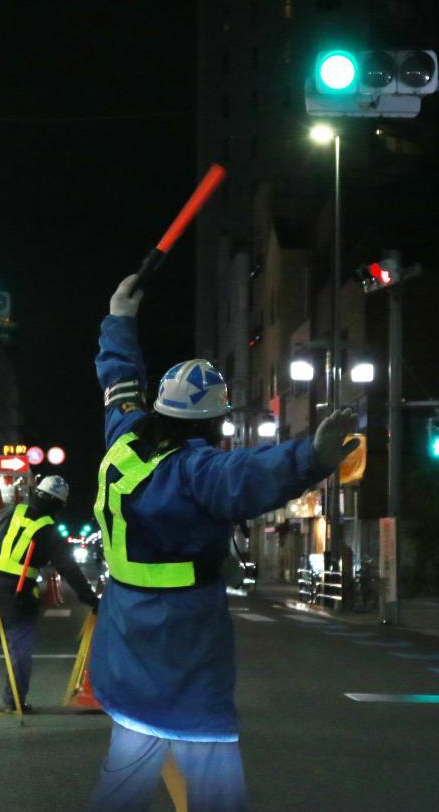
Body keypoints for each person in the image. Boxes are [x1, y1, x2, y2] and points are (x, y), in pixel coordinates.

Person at [87, 275, 359, 810]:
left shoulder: (124, 439)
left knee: (129, 760)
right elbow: (249, 475)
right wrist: (313, 458)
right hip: (182, 645)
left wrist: (119, 318)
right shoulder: (195, 473)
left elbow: (119, 380)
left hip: (124, 634)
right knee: (212, 771)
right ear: (214, 420)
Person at [0, 476, 100, 712]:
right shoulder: (47, 528)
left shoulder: (8, 513)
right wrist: (89, 598)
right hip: (19, 595)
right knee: (19, 649)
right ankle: (15, 702)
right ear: (57, 504)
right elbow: (68, 568)